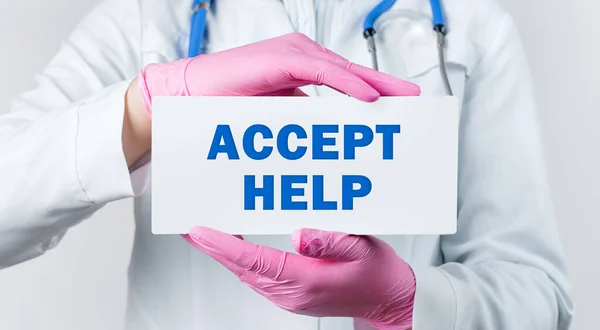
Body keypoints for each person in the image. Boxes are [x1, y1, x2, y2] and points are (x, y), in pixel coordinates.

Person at [0, 0, 574, 329]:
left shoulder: (471, 26)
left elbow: (538, 295)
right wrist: (143, 107)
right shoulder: (151, 17)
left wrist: (410, 302)